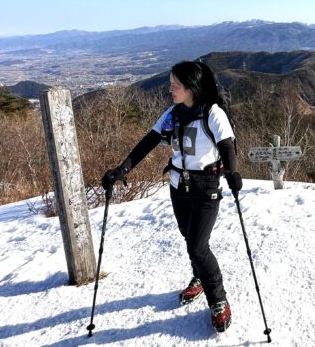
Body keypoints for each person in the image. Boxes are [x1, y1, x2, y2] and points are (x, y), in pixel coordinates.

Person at [101, 61, 243, 333]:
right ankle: (199, 277)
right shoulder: (172, 114)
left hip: (205, 188)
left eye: (175, 85)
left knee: (197, 246)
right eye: (170, 84)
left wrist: (233, 173)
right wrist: (122, 169)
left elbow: (226, 143)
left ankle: (218, 299)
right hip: (179, 187)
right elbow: (149, 140)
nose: (170, 90)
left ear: (191, 88)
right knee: (188, 236)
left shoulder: (213, 114)